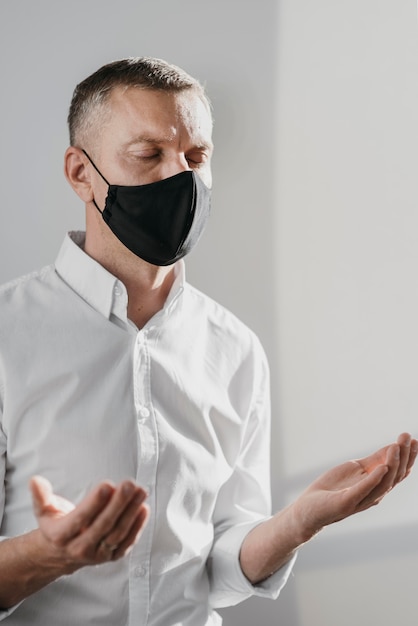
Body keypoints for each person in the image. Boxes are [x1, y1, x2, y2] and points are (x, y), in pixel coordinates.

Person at [0, 57, 416, 626]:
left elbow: (216, 571)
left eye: (197, 158)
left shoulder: (235, 349)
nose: (182, 179)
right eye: (149, 155)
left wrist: (297, 524)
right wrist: (49, 556)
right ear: (80, 173)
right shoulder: (7, 335)